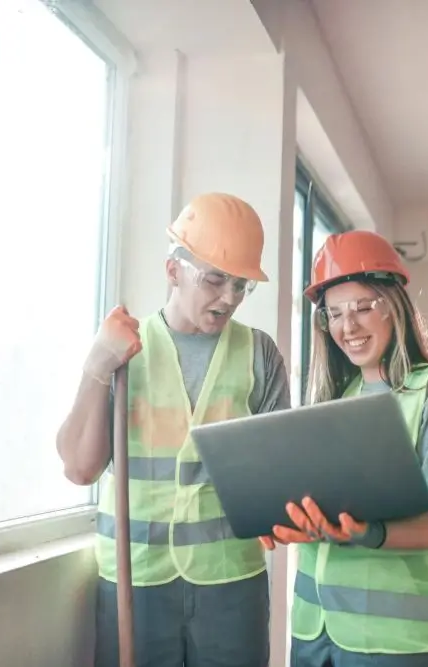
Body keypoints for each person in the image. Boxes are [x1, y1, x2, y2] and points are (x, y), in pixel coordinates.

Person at [56, 192, 292, 667]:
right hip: (136, 580)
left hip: (231, 583)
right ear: (173, 271)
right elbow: (80, 469)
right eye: (215, 279)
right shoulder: (123, 351)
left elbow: (279, 477)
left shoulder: (259, 354)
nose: (229, 298)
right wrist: (96, 365)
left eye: (242, 285)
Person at [260, 229, 428, 666]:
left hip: (401, 638)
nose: (349, 326)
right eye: (335, 314)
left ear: (395, 306)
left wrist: (370, 533)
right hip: (316, 628)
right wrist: (282, 516)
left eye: (364, 307)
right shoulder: (333, 403)